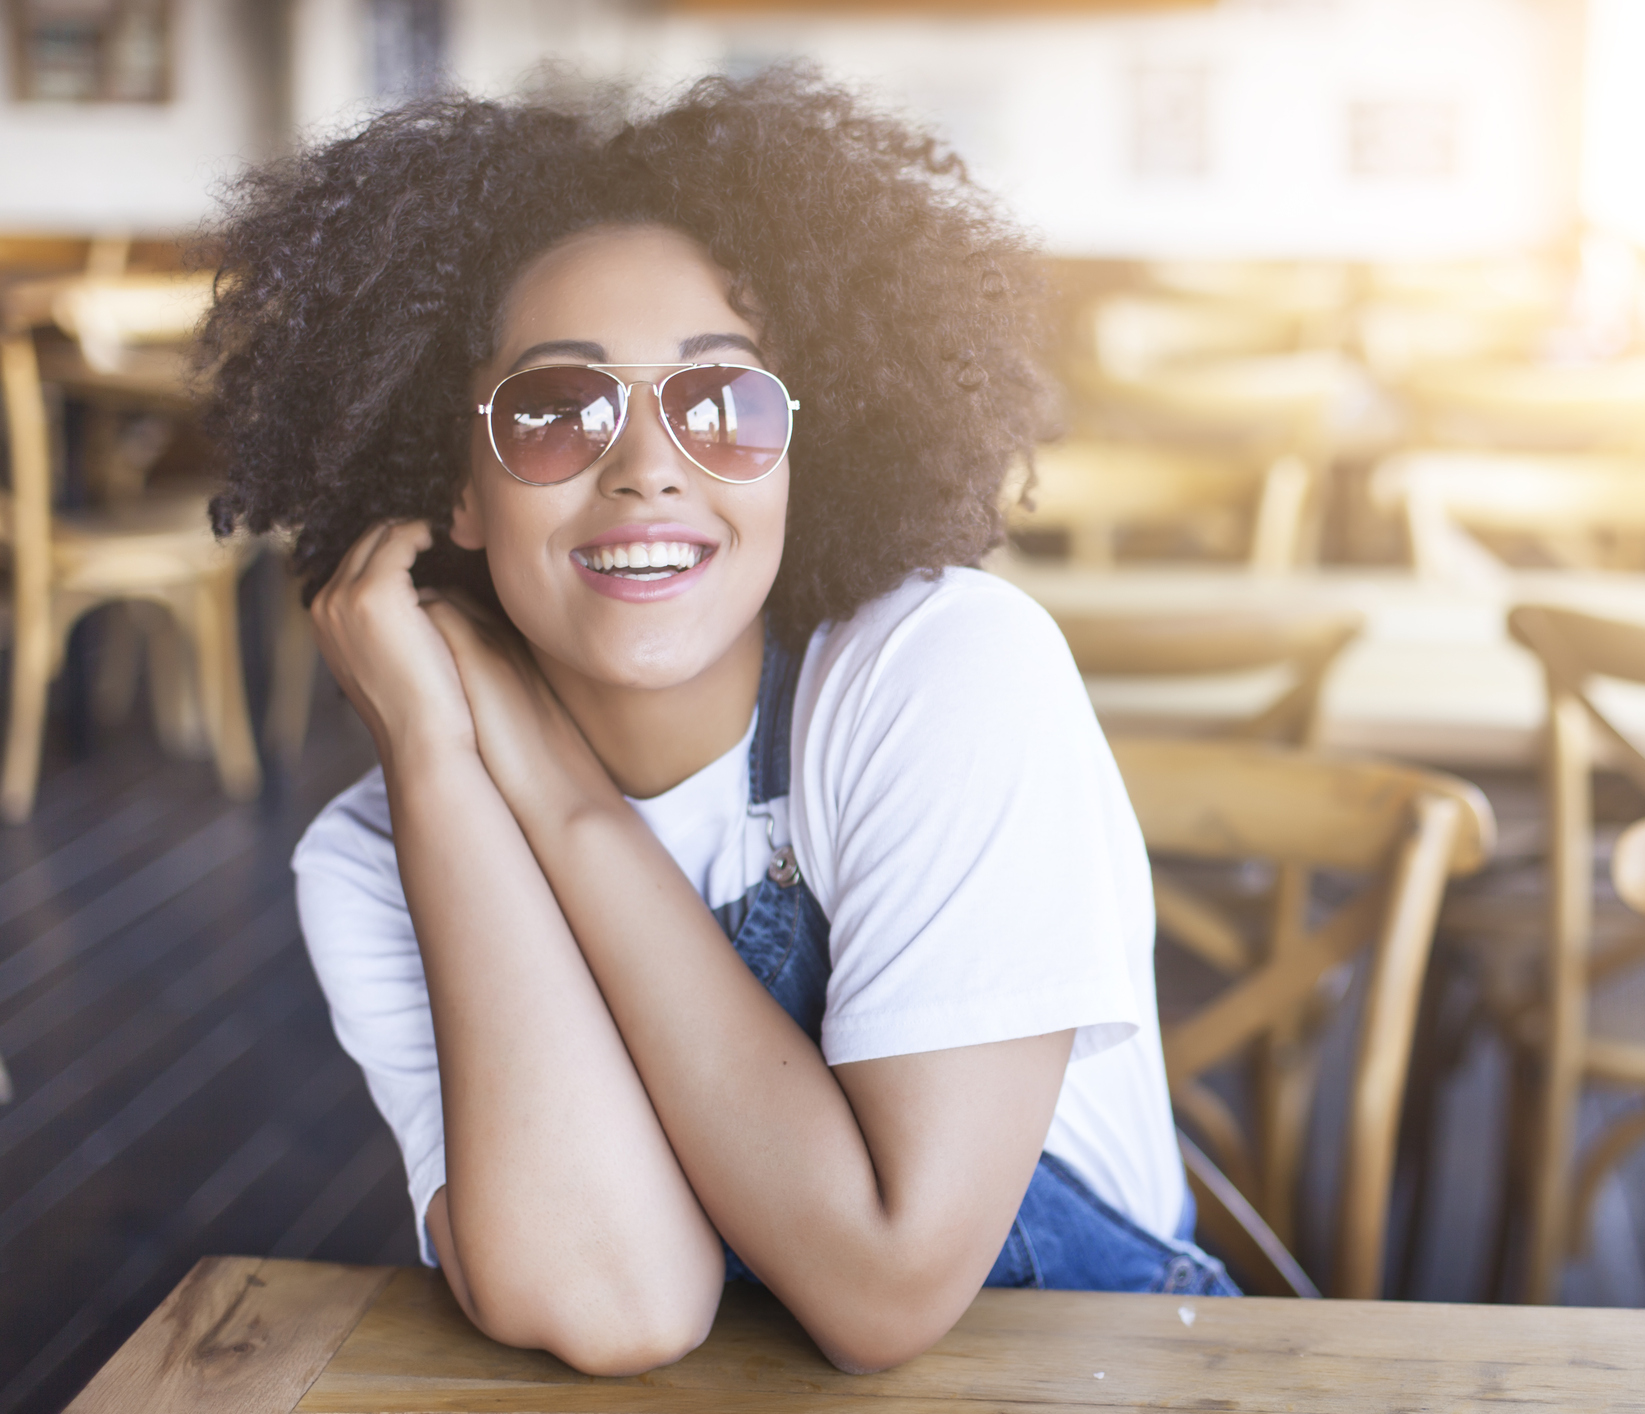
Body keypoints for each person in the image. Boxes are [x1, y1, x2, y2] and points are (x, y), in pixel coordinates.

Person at [202, 67, 1235, 1378]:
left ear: (809, 450)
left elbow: (886, 1284)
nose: (644, 464)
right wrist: (438, 758)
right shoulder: (380, 850)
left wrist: (550, 783)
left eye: (724, 403)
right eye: (556, 407)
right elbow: (619, 1300)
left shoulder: (939, 675)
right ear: (452, 481)